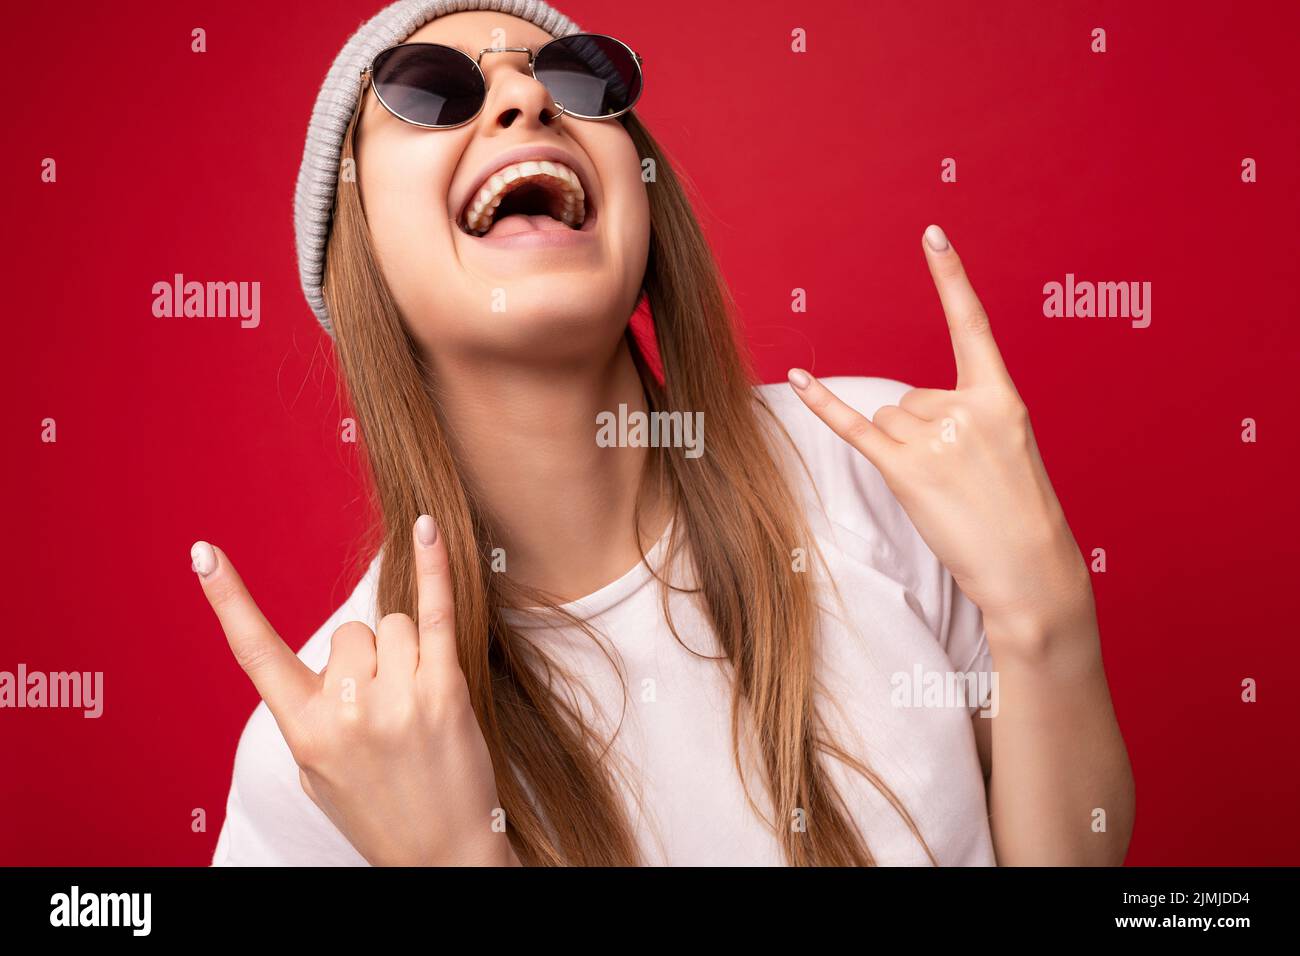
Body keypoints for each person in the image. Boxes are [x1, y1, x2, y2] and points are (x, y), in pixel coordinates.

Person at [193, 0, 1134, 866]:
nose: (526, 95)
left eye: (573, 75)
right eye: (431, 90)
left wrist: (1047, 617)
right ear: (353, 255)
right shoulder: (334, 736)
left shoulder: (880, 472)